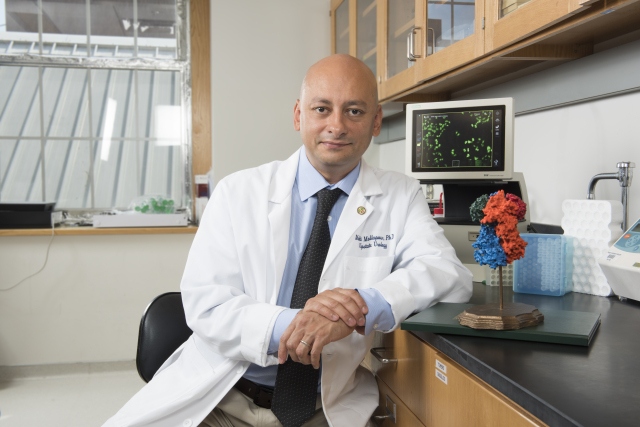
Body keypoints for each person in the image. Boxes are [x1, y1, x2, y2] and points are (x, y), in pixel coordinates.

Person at [103, 54, 472, 427]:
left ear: (376, 121)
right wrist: (296, 325)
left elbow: (447, 273)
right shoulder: (238, 192)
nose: (337, 125)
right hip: (222, 399)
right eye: (322, 109)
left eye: (355, 111)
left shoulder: (400, 195)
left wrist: (359, 307)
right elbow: (207, 303)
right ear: (299, 115)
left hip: (323, 408)